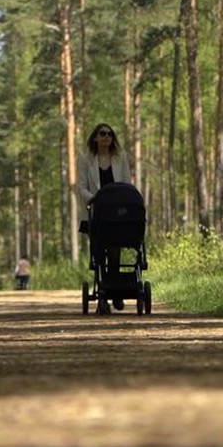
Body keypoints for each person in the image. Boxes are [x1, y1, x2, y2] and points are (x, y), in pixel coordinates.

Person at [77, 122, 132, 311]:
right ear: (95, 137)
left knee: (115, 251)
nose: (106, 137)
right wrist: (94, 198)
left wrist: (124, 200)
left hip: (116, 212)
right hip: (96, 212)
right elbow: (81, 187)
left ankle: (115, 290)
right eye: (102, 134)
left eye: (109, 134)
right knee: (99, 252)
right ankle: (102, 295)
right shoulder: (85, 160)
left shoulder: (121, 158)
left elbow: (126, 182)